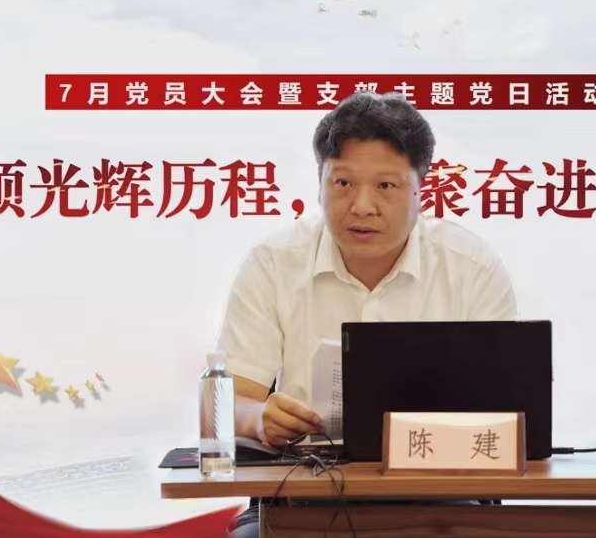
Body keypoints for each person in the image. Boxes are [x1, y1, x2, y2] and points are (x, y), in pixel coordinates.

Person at [214, 91, 519, 537]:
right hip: (302, 493)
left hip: (441, 495)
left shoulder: (471, 267)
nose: (361, 205)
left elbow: (507, 417)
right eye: (342, 183)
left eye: (385, 186)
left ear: (421, 188)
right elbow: (228, 403)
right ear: (319, 181)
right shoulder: (273, 263)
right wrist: (259, 418)